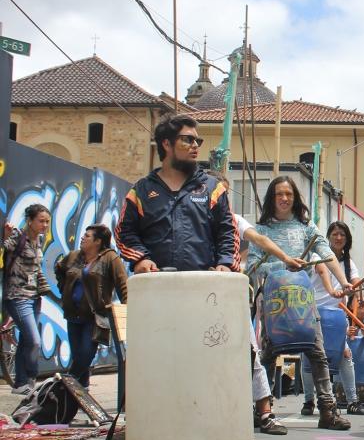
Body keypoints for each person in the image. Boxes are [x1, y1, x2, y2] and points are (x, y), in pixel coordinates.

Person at [250, 175, 353, 431]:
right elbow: (252, 266)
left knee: (317, 353)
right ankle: (263, 410)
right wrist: (282, 263)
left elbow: (326, 254)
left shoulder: (307, 228)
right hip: (275, 305)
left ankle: (327, 410)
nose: (284, 199)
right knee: (267, 355)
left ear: (295, 199)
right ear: (271, 199)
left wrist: (343, 281)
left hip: (304, 304)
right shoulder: (261, 232)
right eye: (279, 194)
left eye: (289, 194)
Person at [115, 114, 239, 274]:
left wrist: (226, 262)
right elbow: (124, 232)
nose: (195, 145)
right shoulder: (141, 190)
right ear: (167, 144)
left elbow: (228, 230)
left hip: (204, 285)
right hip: (155, 284)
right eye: (188, 139)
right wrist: (141, 258)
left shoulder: (213, 188)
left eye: (197, 141)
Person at [228, 204, 302, 436]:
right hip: (199, 290)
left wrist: (285, 257)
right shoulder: (192, 216)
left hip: (230, 292)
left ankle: (265, 412)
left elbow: (259, 240)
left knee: (253, 352)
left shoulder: (233, 219)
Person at [55, 225, 128, 389]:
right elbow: (59, 269)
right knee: (78, 356)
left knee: (85, 355)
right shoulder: (74, 256)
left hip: (95, 317)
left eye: (87, 236)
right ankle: (81, 391)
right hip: (73, 315)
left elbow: (122, 285)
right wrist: (64, 289)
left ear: (98, 241)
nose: (82, 238)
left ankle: (64, 386)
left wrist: (128, 308)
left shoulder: (110, 258)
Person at [307, 221, 364, 416]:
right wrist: (333, 291)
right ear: (328, 237)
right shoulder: (318, 255)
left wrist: (357, 289)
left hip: (337, 316)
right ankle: (308, 401)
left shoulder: (349, 263)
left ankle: (352, 401)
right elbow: (322, 271)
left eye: (342, 235)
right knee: (310, 357)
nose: (338, 238)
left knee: (345, 356)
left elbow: (355, 284)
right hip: (316, 313)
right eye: (335, 234)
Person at [2, 204, 53, 394]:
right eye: (41, 221)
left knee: (25, 340)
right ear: (29, 221)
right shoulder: (17, 238)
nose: (45, 225)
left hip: (34, 296)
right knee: (34, 340)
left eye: (47, 221)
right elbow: (3, 250)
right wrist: (6, 237)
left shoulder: (38, 240)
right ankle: (31, 376)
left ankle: (22, 384)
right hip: (17, 296)